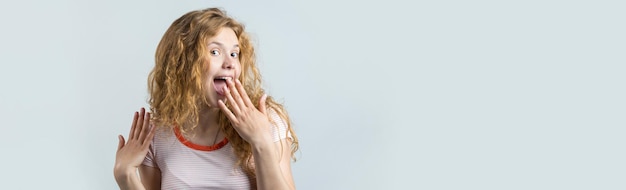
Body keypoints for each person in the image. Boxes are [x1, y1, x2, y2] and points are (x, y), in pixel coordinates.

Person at [113, 8, 299, 190]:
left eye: (234, 54)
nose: (230, 63)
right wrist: (125, 176)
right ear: (183, 63)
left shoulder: (266, 119)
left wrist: (261, 141)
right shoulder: (157, 136)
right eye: (215, 52)